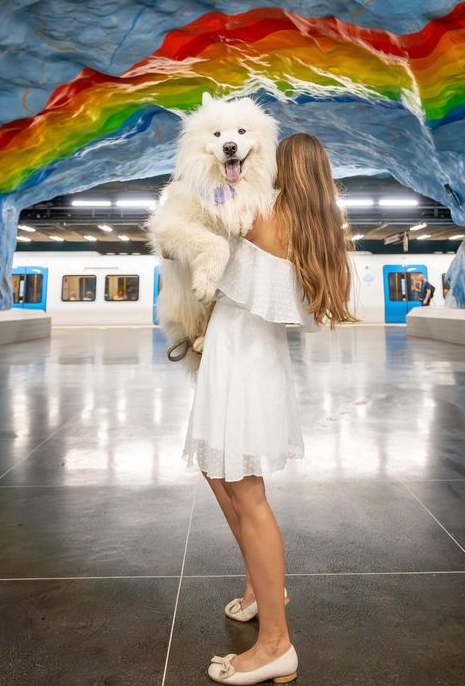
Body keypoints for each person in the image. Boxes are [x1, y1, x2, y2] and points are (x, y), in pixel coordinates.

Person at [180, 132, 356, 685]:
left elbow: (198, 200)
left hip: (240, 359)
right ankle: (262, 582)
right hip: (253, 357)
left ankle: (276, 643)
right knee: (219, 470)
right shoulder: (315, 229)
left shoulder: (259, 211)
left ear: (286, 168)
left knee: (246, 492)